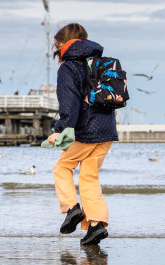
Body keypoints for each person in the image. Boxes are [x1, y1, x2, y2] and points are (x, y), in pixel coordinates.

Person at [47, 23, 118, 246]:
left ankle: (71, 208)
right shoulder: (99, 62)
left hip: (86, 131)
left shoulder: (69, 67)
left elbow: (70, 103)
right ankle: (96, 225)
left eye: (56, 47)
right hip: (107, 131)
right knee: (89, 177)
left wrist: (59, 131)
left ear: (62, 45)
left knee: (62, 167)